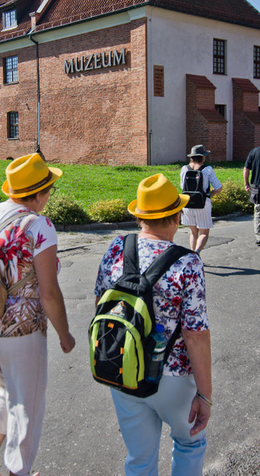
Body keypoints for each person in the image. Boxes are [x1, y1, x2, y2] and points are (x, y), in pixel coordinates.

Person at [0, 153, 76, 476]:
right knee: (27, 405)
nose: (50, 196)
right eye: (49, 190)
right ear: (38, 194)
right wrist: (64, 334)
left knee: (6, 388)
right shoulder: (38, 225)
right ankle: (19, 471)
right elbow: (48, 292)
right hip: (19, 332)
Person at [95, 173, 212, 475]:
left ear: (140, 217)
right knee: (189, 444)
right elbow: (195, 334)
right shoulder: (187, 262)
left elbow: (100, 304)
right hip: (172, 376)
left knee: (140, 459)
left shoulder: (116, 248)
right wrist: (204, 394)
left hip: (123, 366)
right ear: (176, 217)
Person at [180, 145, 223, 253]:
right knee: (204, 233)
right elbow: (218, 187)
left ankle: (192, 254)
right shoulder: (207, 169)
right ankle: (197, 252)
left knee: (193, 233)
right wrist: (210, 194)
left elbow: (182, 186)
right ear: (203, 157)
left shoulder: (184, 169)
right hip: (203, 203)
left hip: (187, 203)